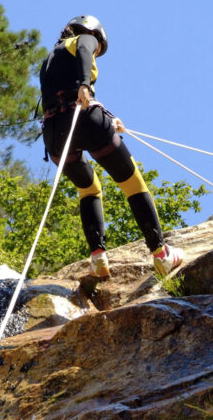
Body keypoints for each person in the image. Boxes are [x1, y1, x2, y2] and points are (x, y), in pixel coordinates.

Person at [39, 14, 184, 278]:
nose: (95, 50)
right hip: (85, 119)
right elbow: (84, 52)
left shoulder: (49, 60)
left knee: (89, 189)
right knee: (132, 182)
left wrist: (108, 116)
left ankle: (98, 258)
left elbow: (61, 94)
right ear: (92, 32)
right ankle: (161, 254)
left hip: (54, 136)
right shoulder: (83, 39)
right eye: (98, 47)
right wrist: (85, 84)